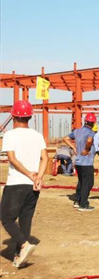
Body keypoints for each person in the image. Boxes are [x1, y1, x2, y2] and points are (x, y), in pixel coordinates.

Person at [0, 100, 48, 268]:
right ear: (30, 117)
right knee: (25, 220)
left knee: (6, 218)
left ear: (13, 116)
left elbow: (12, 159)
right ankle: (19, 256)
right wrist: (38, 177)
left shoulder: (10, 135)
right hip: (33, 186)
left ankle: (24, 244)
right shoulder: (37, 135)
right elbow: (45, 158)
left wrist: (28, 174)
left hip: (16, 183)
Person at [63, 113, 98, 211]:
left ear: (85, 121)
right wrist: (86, 150)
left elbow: (65, 138)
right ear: (93, 123)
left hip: (78, 161)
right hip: (87, 162)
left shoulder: (77, 131)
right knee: (88, 183)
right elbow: (89, 140)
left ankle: (77, 201)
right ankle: (83, 204)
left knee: (81, 182)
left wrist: (73, 147)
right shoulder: (91, 132)